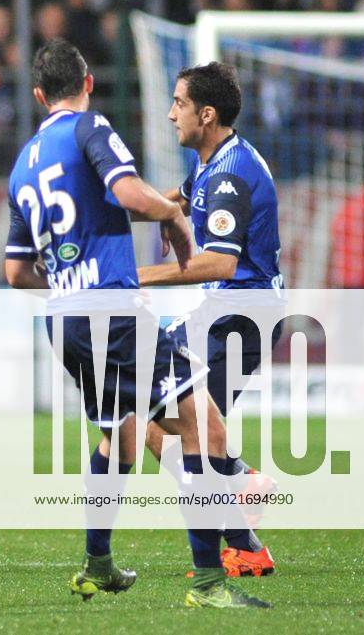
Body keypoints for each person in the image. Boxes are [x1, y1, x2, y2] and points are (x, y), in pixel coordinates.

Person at [4, 39, 270, 608]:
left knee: (121, 434)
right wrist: (169, 214)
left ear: (37, 95)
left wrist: (72, 287)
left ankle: (98, 563)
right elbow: (127, 192)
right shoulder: (90, 129)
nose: (171, 112)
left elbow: (13, 271)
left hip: (65, 319)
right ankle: (212, 578)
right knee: (201, 423)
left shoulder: (23, 161)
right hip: (112, 312)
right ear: (89, 83)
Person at [138, 62, 284, 578]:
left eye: (178, 103)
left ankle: (243, 542)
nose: (170, 112)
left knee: (186, 430)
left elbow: (221, 262)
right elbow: (169, 201)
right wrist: (106, 211)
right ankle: (239, 485)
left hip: (241, 318)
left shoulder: (227, 175)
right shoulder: (212, 159)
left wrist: (136, 276)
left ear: (207, 113)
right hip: (221, 312)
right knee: (145, 413)